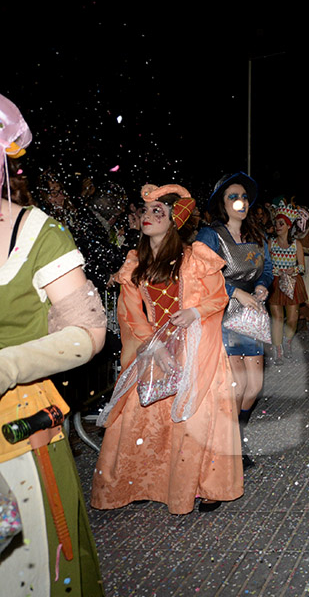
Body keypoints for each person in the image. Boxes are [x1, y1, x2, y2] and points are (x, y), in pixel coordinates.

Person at [0, 93, 106, 596]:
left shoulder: (38, 231)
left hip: (14, 433)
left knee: (19, 570)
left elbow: (87, 333)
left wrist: (9, 364)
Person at [91, 182, 243, 517]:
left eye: (157, 211)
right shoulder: (135, 262)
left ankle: (204, 484)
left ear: (174, 220)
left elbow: (218, 298)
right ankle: (142, 483)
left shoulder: (196, 258)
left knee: (196, 418)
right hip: (154, 347)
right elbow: (129, 311)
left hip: (196, 347)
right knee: (142, 416)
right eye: (144, 210)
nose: (147, 216)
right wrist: (154, 343)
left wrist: (194, 312)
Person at [196, 173, 272, 469]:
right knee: (237, 387)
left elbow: (266, 271)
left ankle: (234, 439)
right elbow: (201, 275)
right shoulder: (210, 235)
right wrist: (236, 291)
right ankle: (230, 448)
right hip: (222, 315)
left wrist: (263, 285)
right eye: (232, 196)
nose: (240, 201)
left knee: (254, 387)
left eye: (243, 196)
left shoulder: (258, 237)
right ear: (221, 204)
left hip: (251, 316)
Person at [267, 204, 308, 365]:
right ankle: (278, 351)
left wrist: (293, 270)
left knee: (292, 318)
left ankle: (287, 342)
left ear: (289, 226)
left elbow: (302, 266)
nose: (277, 226)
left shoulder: (296, 244)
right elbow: (266, 264)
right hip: (276, 283)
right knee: (277, 318)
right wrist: (275, 270)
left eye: (281, 223)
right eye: (276, 223)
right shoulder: (271, 243)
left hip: (292, 282)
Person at [293, 206, 309, 330]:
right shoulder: (294, 231)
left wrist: (300, 249)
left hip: (307, 263)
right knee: (297, 292)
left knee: (306, 293)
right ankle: (302, 320)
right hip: (295, 263)